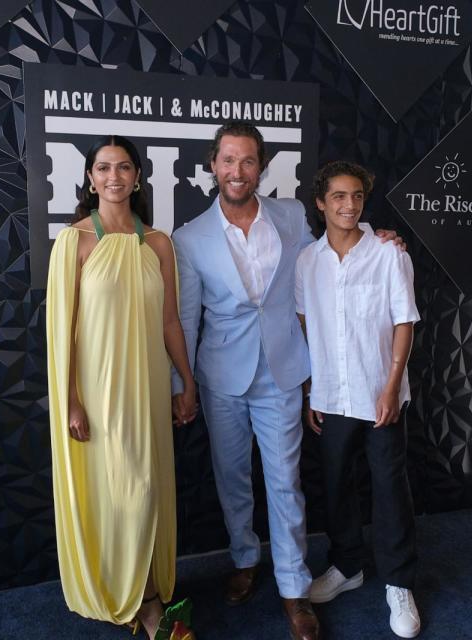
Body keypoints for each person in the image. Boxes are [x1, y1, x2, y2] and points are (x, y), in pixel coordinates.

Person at [172, 123, 402, 640]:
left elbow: (333, 255)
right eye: (228, 160)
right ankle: (244, 558)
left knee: (285, 481)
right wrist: (181, 383)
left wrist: (377, 236)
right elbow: (186, 319)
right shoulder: (188, 239)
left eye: (248, 161)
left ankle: (294, 588)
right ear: (213, 165)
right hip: (221, 376)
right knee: (232, 481)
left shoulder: (292, 215)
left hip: (283, 371)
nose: (238, 171)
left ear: (261, 168)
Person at [46, 135, 198, 639]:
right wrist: (70, 399)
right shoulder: (74, 241)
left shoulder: (157, 242)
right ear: (90, 178)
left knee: (146, 487)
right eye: (104, 168)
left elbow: (170, 321)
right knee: (121, 490)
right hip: (98, 387)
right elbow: (62, 331)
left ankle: (142, 590)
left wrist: (186, 382)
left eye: (124, 167)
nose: (115, 177)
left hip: (149, 385)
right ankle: (144, 603)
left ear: (138, 177)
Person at [296, 161, 421, 638]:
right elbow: (308, 322)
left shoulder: (389, 254)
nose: (350, 205)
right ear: (321, 203)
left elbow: (404, 321)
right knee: (335, 484)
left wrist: (390, 386)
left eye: (357, 197)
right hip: (330, 395)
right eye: (339, 197)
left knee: (390, 489)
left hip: (380, 395)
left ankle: (399, 583)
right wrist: (314, 385)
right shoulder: (307, 262)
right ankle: (348, 567)